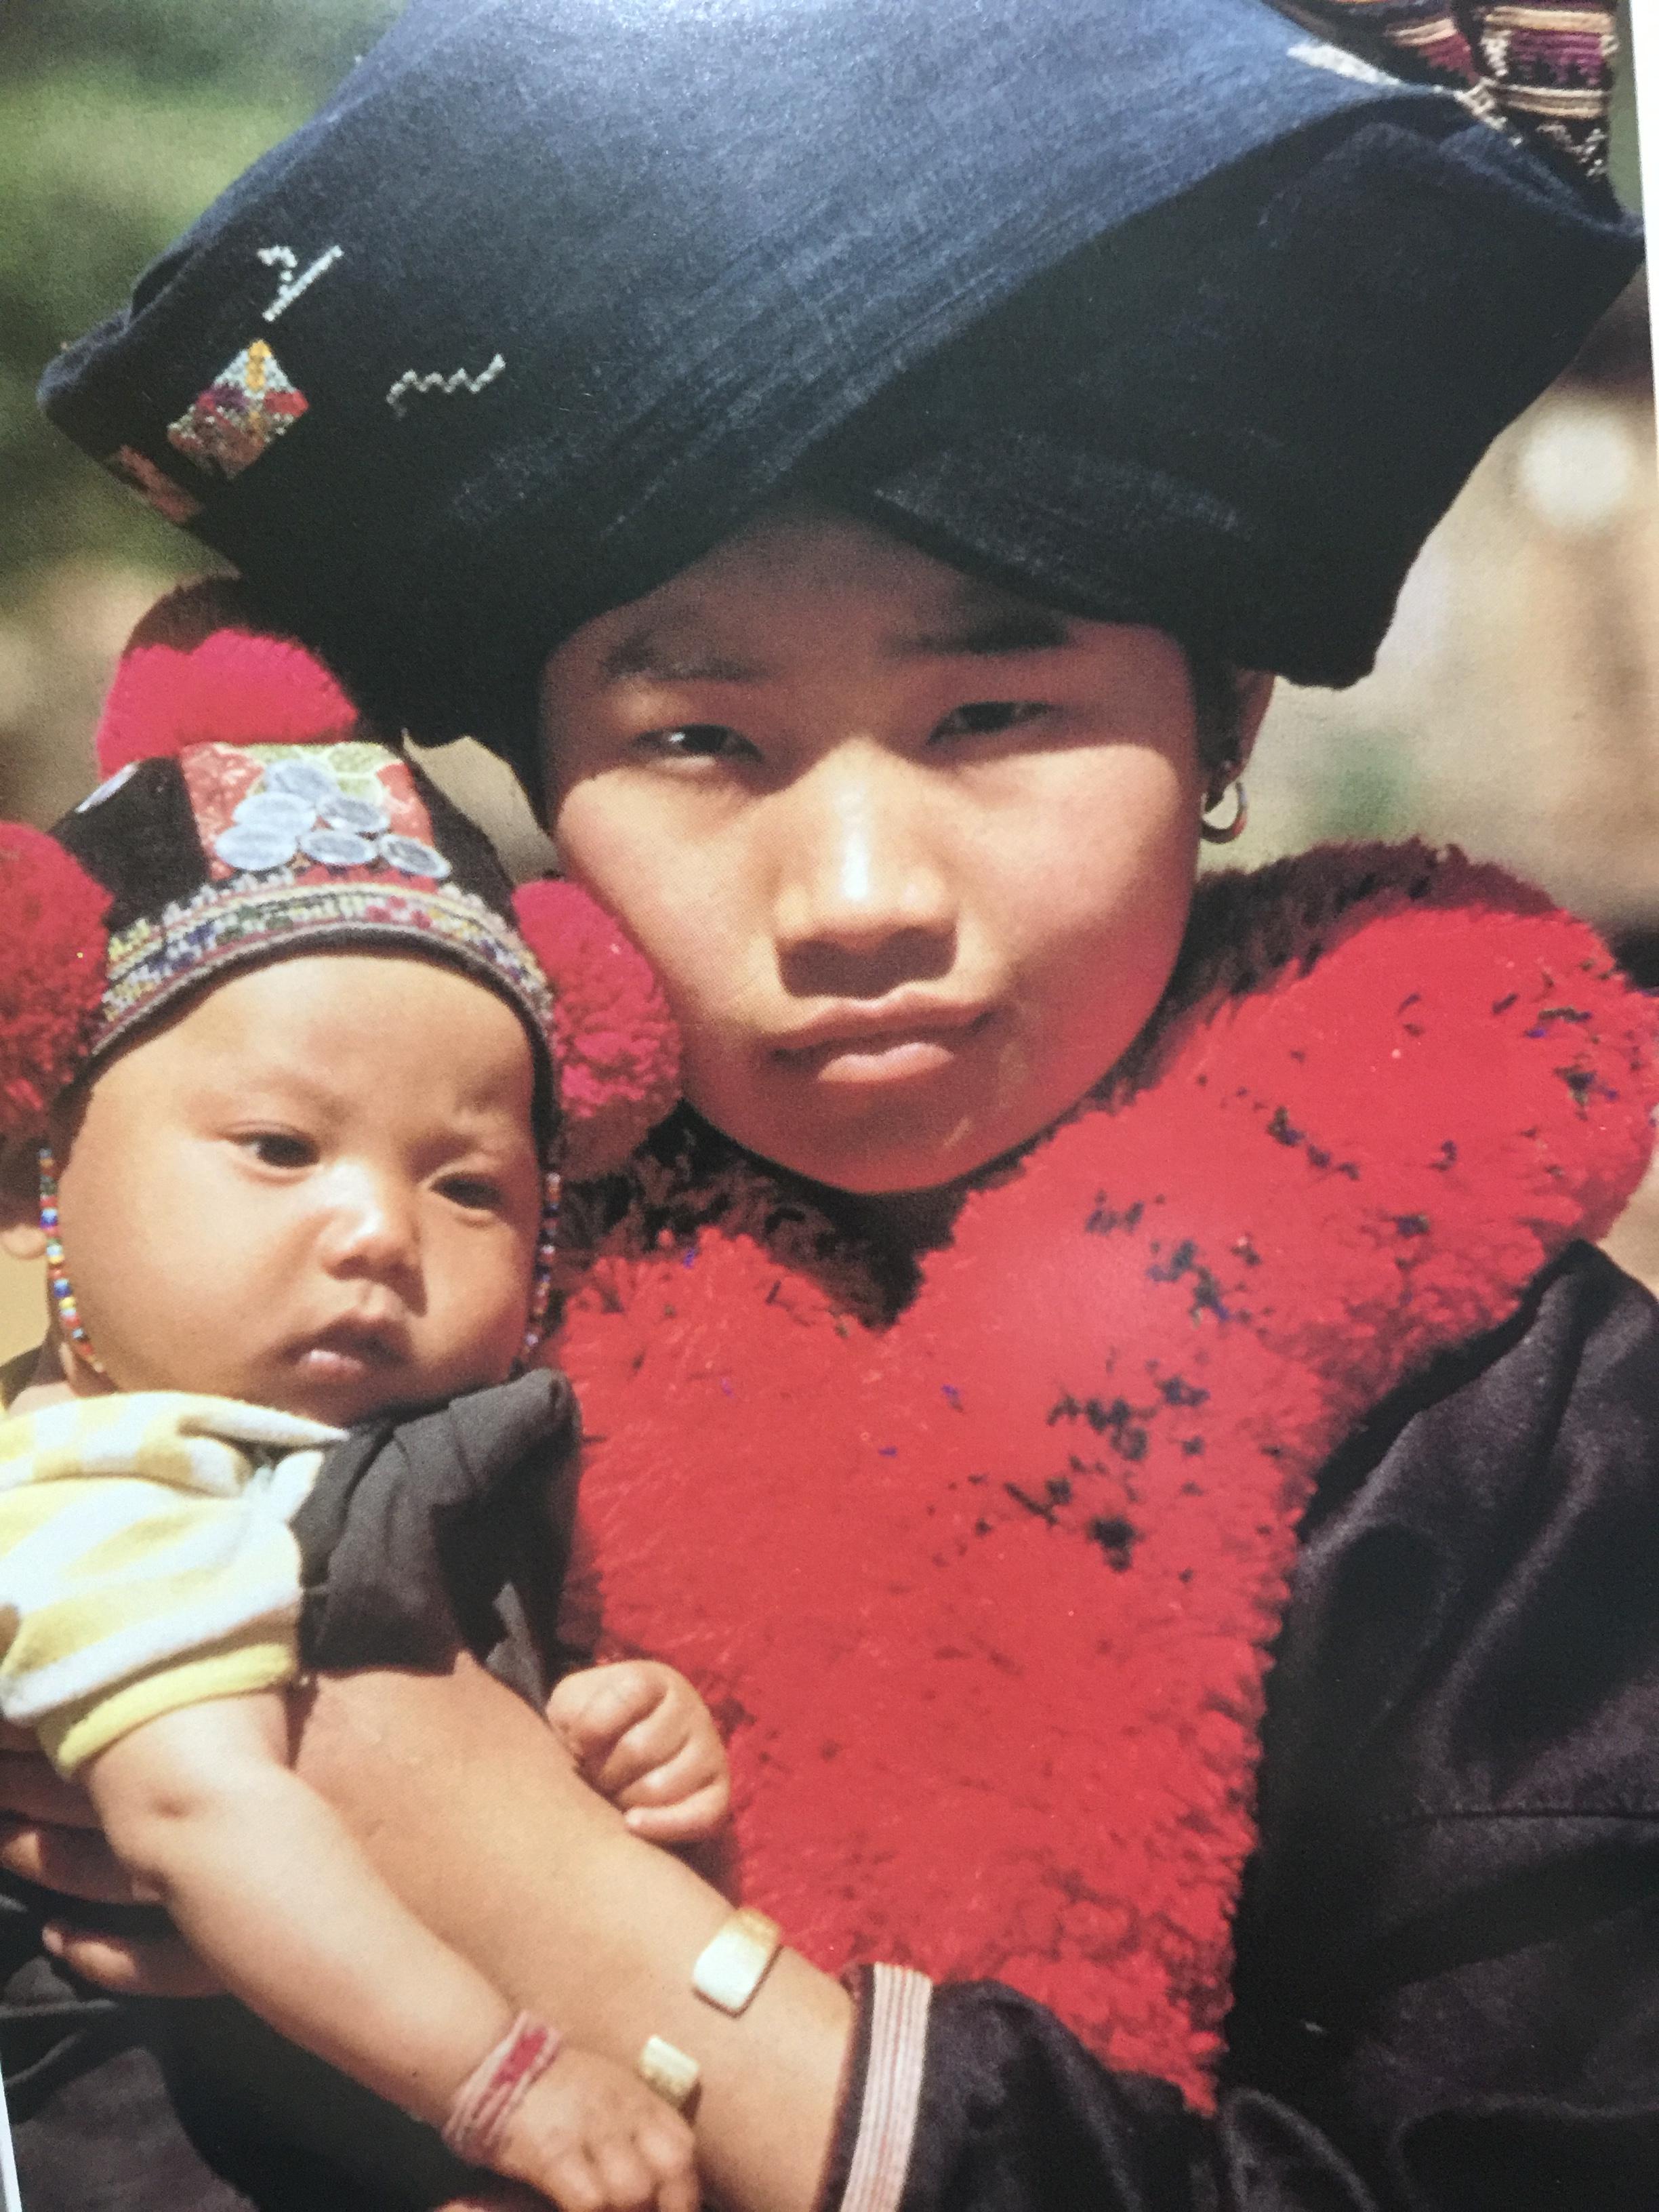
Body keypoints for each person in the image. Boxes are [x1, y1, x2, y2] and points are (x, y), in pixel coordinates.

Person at [11, 0, 1659, 2207]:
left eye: (991, 709)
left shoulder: (1542, 1455)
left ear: (1222, 714)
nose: (858, 897)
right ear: (540, 789)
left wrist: (578, 1927)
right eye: (698, 741)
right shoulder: (372, 1286)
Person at [0, 580, 721, 2212]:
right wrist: (507, 2084)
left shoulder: (410, 1450)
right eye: (278, 1149)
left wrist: (625, 1743)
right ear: (55, 1170)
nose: (380, 1232)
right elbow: (203, 1818)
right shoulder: (109, 1493)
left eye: (470, 1187)